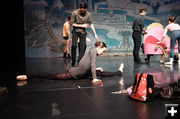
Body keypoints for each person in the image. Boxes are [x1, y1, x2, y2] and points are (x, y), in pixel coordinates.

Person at [16, 41, 124, 85]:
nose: (103, 53)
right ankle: (28, 76)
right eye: (103, 51)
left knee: (101, 72)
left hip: (83, 73)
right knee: (52, 77)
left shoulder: (92, 51)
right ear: (99, 47)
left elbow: (86, 64)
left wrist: (95, 71)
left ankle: (119, 72)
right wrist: (94, 77)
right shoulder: (93, 50)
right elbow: (91, 64)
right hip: (73, 73)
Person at [70, 2, 99, 66]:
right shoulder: (74, 13)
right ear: (79, 8)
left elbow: (91, 23)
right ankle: (73, 62)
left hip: (83, 33)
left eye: (84, 10)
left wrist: (95, 33)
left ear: (85, 9)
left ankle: (79, 62)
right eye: (81, 10)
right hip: (75, 31)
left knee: (83, 48)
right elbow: (72, 24)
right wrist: (82, 26)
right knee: (74, 46)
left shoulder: (88, 14)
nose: (82, 11)